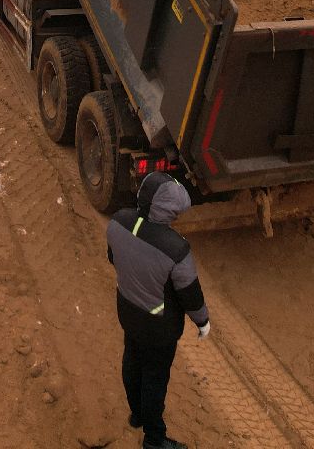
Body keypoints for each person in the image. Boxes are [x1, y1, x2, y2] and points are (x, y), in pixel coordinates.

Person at [106, 172, 209, 449]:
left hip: (128, 312)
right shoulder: (177, 250)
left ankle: (136, 414)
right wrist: (203, 322)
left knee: (132, 360)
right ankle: (154, 439)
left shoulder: (118, 222)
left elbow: (113, 258)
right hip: (158, 329)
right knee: (154, 378)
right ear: (170, 210)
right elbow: (190, 295)